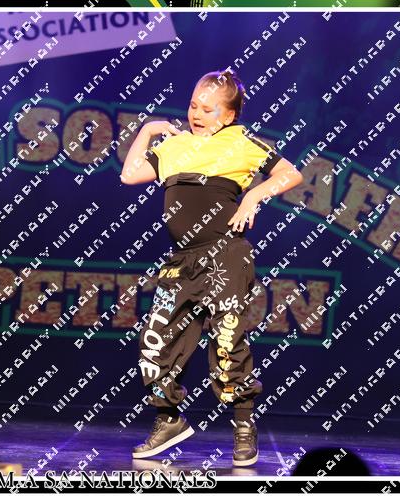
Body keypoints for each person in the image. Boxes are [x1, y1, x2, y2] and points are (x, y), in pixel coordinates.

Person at [120, 68, 303, 467]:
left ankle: (243, 425)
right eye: (193, 106)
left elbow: (292, 173)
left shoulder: (242, 142)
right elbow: (130, 174)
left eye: (208, 109)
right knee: (154, 343)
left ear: (229, 115)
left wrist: (253, 196)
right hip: (182, 261)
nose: (197, 114)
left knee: (226, 341)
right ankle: (169, 419)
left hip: (225, 255)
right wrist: (147, 130)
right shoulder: (175, 146)